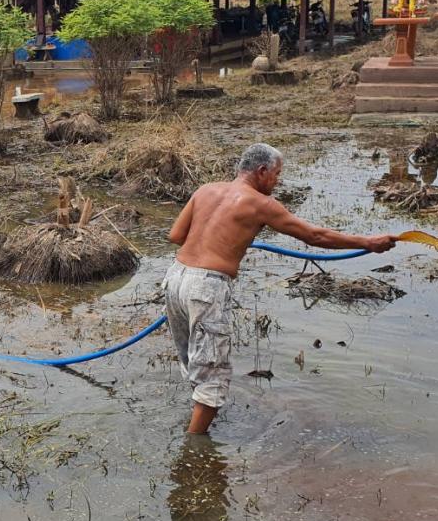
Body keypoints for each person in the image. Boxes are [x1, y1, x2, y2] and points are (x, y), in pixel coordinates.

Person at [165, 143, 398, 434]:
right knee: (213, 370)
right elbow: (315, 236)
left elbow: (176, 235)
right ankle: (194, 449)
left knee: (192, 358)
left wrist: (223, 238)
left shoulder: (205, 190)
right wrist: (367, 243)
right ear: (261, 172)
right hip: (206, 287)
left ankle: (198, 418)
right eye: (276, 174)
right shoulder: (261, 204)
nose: (277, 181)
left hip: (176, 278)